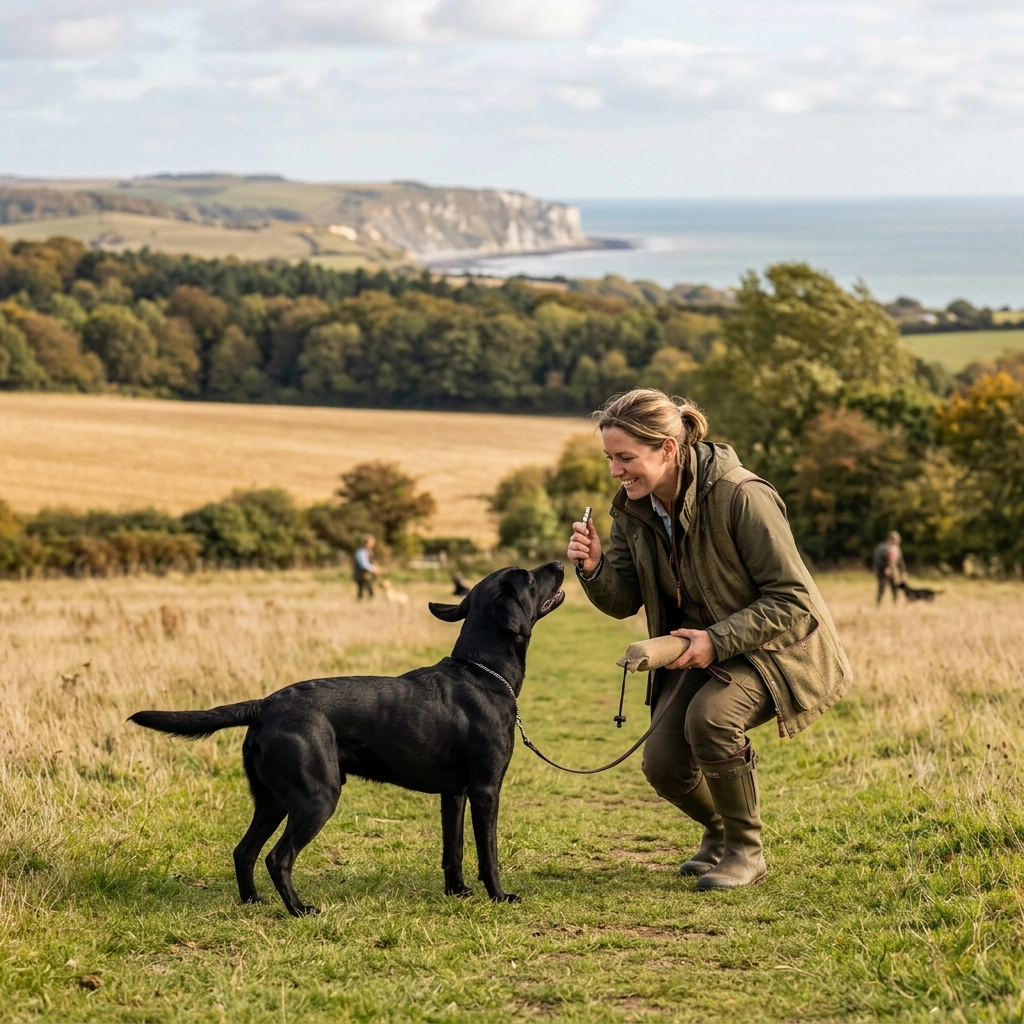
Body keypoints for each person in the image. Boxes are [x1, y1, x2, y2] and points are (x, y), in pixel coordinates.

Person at [567, 389, 851, 890]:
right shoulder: (632, 509)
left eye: (626, 458)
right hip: (697, 650)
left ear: (668, 450)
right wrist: (592, 569)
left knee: (712, 719)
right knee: (663, 764)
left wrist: (714, 641)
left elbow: (791, 598)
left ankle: (747, 852)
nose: (615, 471)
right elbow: (624, 600)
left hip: (775, 650)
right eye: (610, 458)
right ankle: (719, 833)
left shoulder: (742, 495)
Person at [872, 531, 906, 605]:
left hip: (894, 571)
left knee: (895, 588)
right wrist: (885, 568)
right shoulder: (883, 547)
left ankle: (896, 603)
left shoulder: (897, 548)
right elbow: (879, 560)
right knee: (882, 588)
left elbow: (900, 561)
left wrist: (903, 571)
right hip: (882, 571)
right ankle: (878, 603)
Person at [353, 535, 380, 600]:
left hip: (366, 574)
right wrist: (374, 569)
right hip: (361, 574)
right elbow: (363, 565)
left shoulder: (369, 552)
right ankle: (363, 600)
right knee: (363, 588)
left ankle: (367, 600)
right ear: (365, 543)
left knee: (367, 587)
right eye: (370, 544)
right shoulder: (361, 552)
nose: (372, 545)